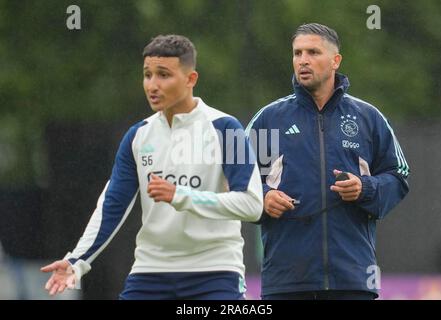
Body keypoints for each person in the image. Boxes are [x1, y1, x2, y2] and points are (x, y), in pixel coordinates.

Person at [41, 35, 263, 300]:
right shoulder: (138, 136)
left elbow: (251, 204)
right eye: (147, 75)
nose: (152, 85)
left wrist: (181, 196)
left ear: (191, 79)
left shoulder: (227, 129)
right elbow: (112, 204)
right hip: (150, 272)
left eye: (163, 75)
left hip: (214, 272)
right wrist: (77, 260)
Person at [246, 23, 410, 300]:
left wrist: (365, 189)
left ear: (335, 61)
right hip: (286, 282)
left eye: (313, 52)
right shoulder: (269, 120)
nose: (303, 60)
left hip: (353, 280)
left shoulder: (368, 118)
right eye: (297, 53)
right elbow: (235, 180)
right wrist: (262, 198)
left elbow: (398, 177)